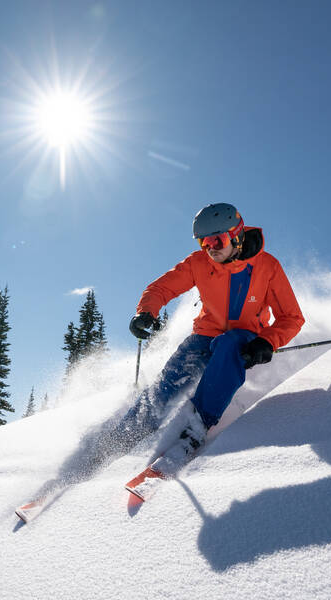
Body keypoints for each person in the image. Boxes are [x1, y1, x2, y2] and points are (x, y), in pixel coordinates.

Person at [120, 201, 306, 472]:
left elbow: (292, 317)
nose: (211, 248)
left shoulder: (267, 267)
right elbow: (162, 287)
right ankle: (126, 433)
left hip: (244, 339)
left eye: (217, 240)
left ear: (237, 234)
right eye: (204, 242)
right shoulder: (199, 263)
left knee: (229, 345)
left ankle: (196, 427)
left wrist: (267, 341)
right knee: (168, 382)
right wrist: (146, 311)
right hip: (205, 335)